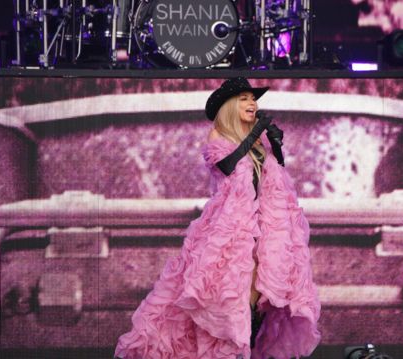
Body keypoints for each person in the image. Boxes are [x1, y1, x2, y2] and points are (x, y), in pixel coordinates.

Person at [115, 77, 321, 359]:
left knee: (266, 293)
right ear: (230, 106)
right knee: (231, 291)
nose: (252, 104)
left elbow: (276, 173)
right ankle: (231, 349)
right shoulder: (218, 136)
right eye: (245, 99)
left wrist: (274, 142)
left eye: (253, 99)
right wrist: (254, 135)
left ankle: (250, 346)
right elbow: (227, 166)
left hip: (268, 226)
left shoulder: (258, 139)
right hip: (233, 226)